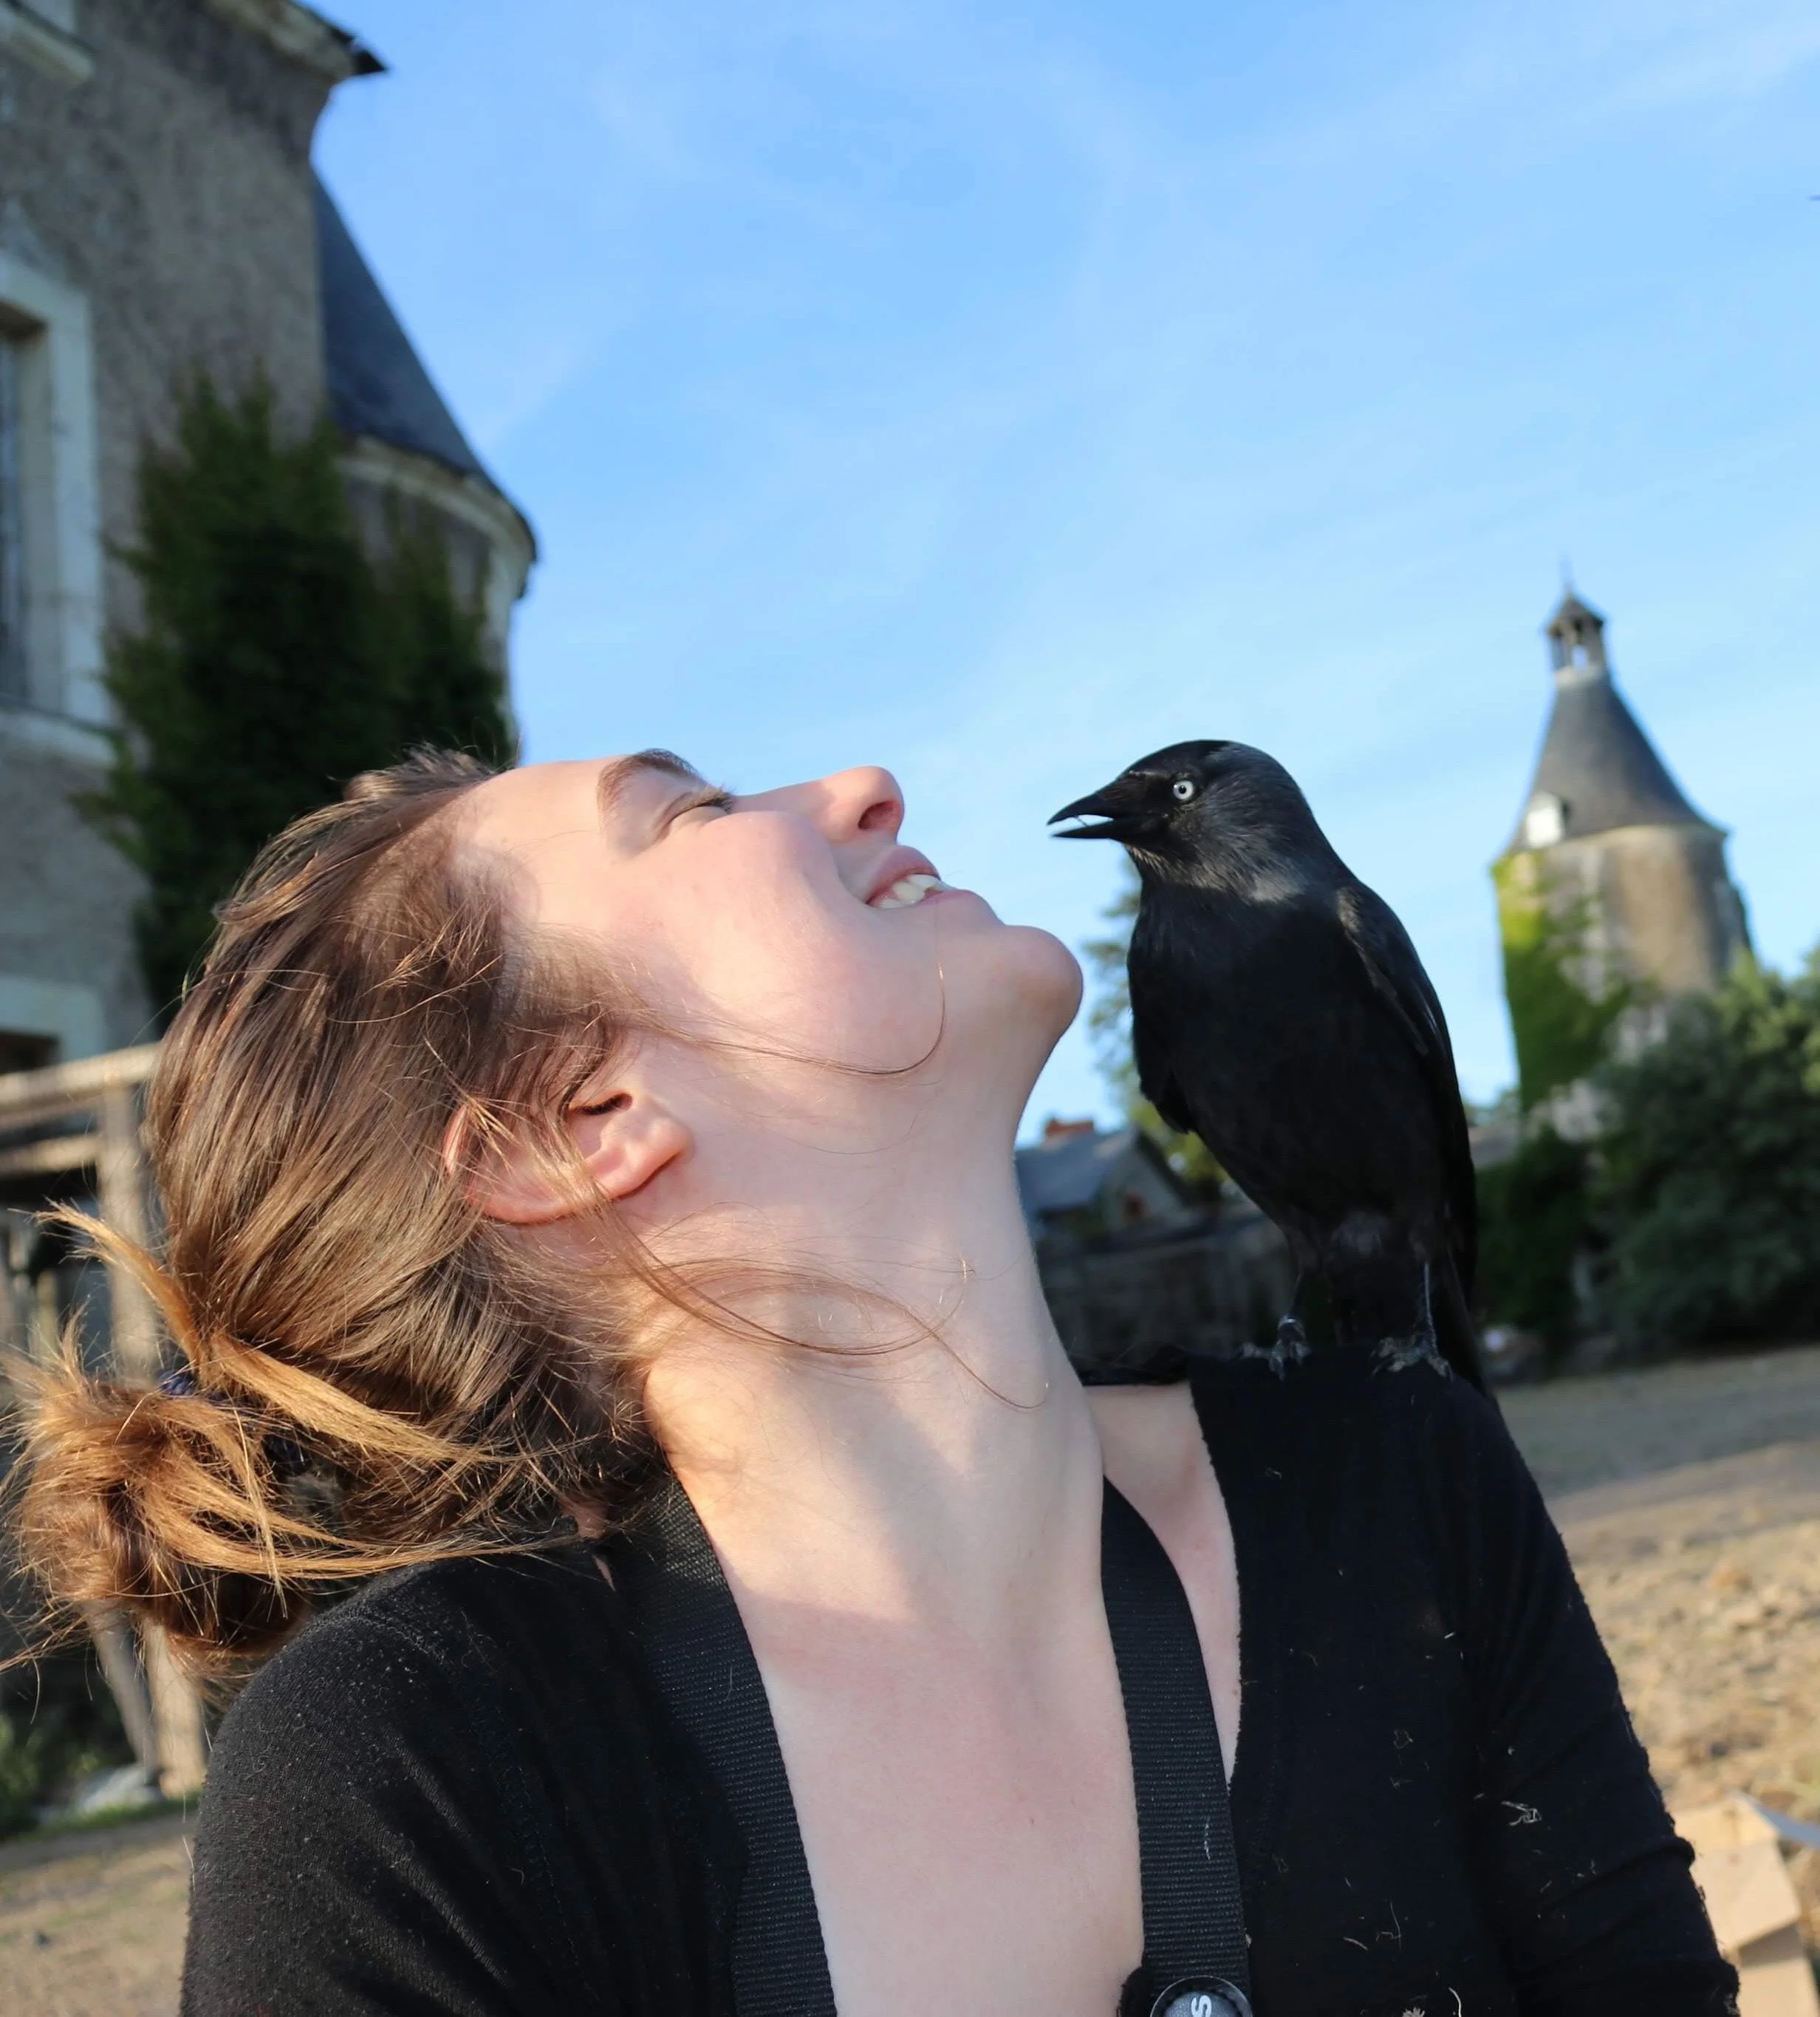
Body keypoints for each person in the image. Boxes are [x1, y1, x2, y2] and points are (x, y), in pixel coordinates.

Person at [15, 749, 1734, 2017]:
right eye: (689, 812)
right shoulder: (417, 1774)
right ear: (576, 1133)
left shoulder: (1403, 1490)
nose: (861, 784)